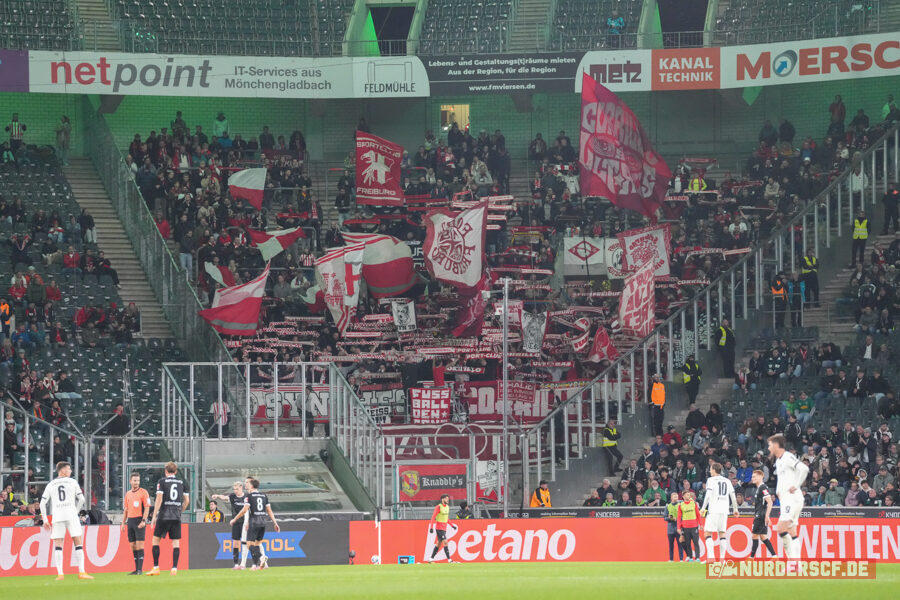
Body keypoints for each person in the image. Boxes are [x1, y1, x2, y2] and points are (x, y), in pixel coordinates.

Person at [39, 461, 93, 580]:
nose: (70, 471)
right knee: (78, 542)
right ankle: (82, 572)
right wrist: (76, 511)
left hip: (57, 515)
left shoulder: (51, 484)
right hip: (71, 514)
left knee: (58, 544)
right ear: (62, 470)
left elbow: (42, 503)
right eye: (69, 469)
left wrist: (45, 519)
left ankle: (60, 574)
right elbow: (82, 499)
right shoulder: (73, 482)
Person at [768, 434, 809, 560]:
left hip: (792, 499)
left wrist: (796, 485)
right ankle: (796, 564)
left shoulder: (787, 456)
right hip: (787, 500)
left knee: (780, 528)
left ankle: (793, 562)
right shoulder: (779, 460)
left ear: (776, 445)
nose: (769, 448)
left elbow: (804, 468)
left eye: (770, 445)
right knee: (792, 532)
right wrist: (779, 491)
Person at [146, 461, 189, 576]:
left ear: (166, 471)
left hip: (164, 514)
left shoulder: (162, 481)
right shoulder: (182, 483)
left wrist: (154, 516)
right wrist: (180, 511)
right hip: (176, 516)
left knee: (155, 540)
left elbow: (159, 499)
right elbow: (187, 501)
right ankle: (174, 568)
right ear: (175, 471)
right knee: (176, 542)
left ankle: (156, 567)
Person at [230, 478, 279, 571]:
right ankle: (256, 566)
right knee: (257, 544)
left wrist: (235, 519)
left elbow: (244, 510)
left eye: (248, 483)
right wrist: (275, 523)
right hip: (263, 523)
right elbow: (269, 511)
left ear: (252, 485)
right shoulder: (264, 496)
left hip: (254, 522)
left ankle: (261, 558)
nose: (246, 485)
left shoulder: (249, 496)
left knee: (249, 544)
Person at [699, 462, 738, 563]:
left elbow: (708, 495)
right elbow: (733, 496)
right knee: (722, 533)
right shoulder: (727, 481)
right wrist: (735, 509)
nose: (709, 471)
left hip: (714, 510)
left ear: (714, 470)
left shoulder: (711, 480)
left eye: (711, 469)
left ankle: (711, 558)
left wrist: (703, 508)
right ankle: (722, 560)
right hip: (724, 511)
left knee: (707, 532)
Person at [211, 481, 248, 570]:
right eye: (234, 489)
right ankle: (236, 564)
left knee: (248, 543)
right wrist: (218, 496)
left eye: (237, 489)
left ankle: (251, 562)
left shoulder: (247, 497)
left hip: (245, 523)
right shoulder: (232, 497)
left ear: (241, 487)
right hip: (235, 523)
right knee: (236, 543)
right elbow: (225, 498)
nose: (235, 491)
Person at [121, 472, 151, 575]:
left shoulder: (144, 492)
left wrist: (144, 520)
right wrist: (123, 523)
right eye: (134, 480)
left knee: (140, 545)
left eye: (138, 480)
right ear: (130, 481)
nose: (136, 482)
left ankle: (140, 569)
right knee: (132, 545)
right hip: (130, 521)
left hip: (139, 520)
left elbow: (147, 507)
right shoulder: (128, 494)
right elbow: (126, 509)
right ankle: (136, 569)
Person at [748, 469, 777, 558]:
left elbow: (770, 502)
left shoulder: (762, 487)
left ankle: (751, 558)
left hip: (760, 516)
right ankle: (774, 556)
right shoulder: (759, 488)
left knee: (754, 535)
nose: (752, 478)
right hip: (761, 514)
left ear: (760, 477)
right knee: (763, 536)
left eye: (754, 476)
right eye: (752, 477)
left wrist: (766, 516)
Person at [426, 494, 457, 563]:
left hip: (444, 528)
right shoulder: (438, 507)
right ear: (442, 499)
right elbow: (433, 517)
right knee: (445, 542)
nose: (447, 500)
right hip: (439, 528)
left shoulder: (447, 507)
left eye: (448, 498)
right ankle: (449, 559)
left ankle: (431, 559)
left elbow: (446, 518)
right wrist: (431, 527)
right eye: (446, 498)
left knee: (439, 543)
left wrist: (452, 525)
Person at [676, 490, 701, 562]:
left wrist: (701, 524)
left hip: (694, 526)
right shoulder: (681, 505)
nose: (689, 496)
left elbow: (698, 514)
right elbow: (679, 517)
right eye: (687, 495)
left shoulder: (694, 503)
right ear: (683, 497)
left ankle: (697, 558)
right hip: (685, 526)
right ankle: (690, 557)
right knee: (687, 543)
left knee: (696, 542)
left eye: (689, 495)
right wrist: (678, 527)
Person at [665, 491, 685, 562]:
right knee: (671, 545)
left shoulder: (681, 505)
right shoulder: (668, 506)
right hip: (670, 528)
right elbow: (665, 517)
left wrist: (678, 519)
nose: (676, 498)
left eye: (677, 496)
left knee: (680, 544)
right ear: (671, 498)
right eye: (674, 496)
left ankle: (681, 559)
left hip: (678, 527)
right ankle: (671, 559)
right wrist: (671, 518)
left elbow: (683, 515)